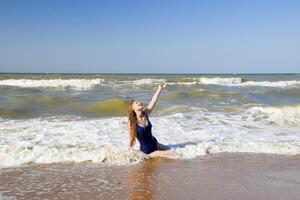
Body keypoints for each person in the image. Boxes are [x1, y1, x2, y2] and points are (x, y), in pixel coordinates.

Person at [127, 83, 177, 158]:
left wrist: (160, 88)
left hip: (155, 144)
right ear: (133, 109)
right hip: (148, 152)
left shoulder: (145, 114)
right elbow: (131, 138)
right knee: (173, 153)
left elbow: (154, 100)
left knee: (173, 149)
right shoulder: (132, 122)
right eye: (136, 103)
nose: (139, 103)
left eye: (139, 101)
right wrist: (129, 150)